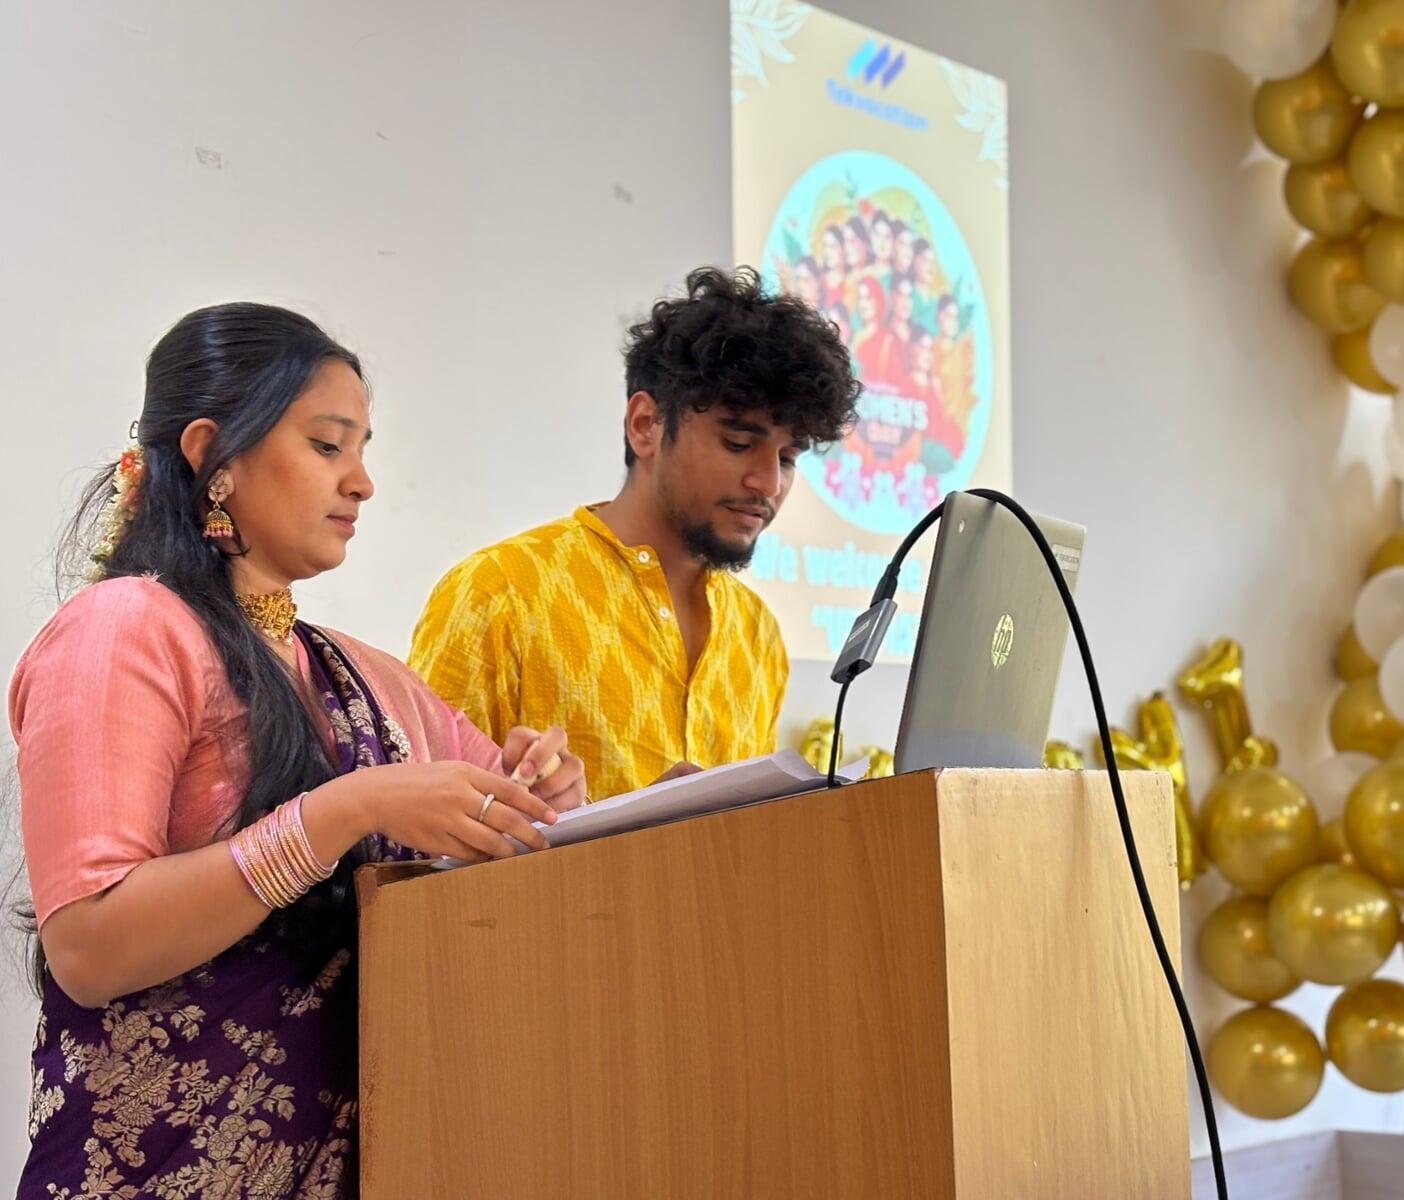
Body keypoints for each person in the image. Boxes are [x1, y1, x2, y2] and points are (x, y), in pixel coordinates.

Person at [8, 303, 586, 1197]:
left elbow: (504, 811)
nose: (363, 483)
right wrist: (343, 811)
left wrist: (538, 786)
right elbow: (88, 946)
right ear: (213, 455)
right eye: (327, 445)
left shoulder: (362, 676)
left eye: (363, 450)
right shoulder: (123, 629)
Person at [410, 267, 860, 801]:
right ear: (646, 425)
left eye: (787, 458)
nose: (768, 483)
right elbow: (415, 828)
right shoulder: (500, 591)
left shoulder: (757, 633)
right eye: (739, 444)